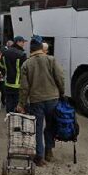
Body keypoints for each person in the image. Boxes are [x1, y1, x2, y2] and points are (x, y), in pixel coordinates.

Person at [17, 36, 65, 166]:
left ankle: (39, 156)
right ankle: (49, 151)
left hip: (36, 101)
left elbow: (24, 87)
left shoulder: (27, 64)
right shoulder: (51, 60)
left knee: (37, 128)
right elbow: (60, 77)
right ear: (41, 49)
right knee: (50, 126)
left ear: (31, 50)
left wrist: (21, 104)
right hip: (52, 99)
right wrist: (62, 92)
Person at [2, 36, 27, 113]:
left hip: (7, 82)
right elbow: (24, 70)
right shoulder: (21, 54)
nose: (24, 44)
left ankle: (9, 117)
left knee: (9, 102)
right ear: (18, 42)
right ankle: (15, 121)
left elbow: (2, 66)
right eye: (23, 42)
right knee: (17, 104)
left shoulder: (5, 53)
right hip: (18, 84)